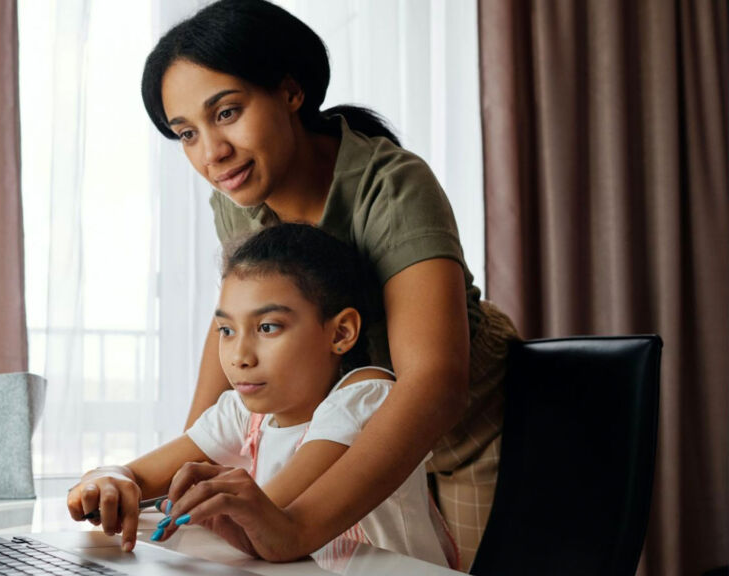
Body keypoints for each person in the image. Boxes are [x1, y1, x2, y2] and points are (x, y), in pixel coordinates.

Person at [137, 0, 520, 570]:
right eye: (186, 133)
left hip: (460, 427)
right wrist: (185, 470)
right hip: (342, 425)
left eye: (227, 113)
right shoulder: (235, 198)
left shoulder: (392, 185)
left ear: (291, 92)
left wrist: (296, 527)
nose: (211, 153)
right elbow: (235, 322)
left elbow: (434, 382)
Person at [67, 223, 451, 567]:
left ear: (340, 333)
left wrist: (193, 501)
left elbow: (269, 519)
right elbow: (138, 474)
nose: (239, 357)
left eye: (267, 327)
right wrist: (107, 480)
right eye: (227, 331)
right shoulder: (244, 413)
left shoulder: (366, 397)